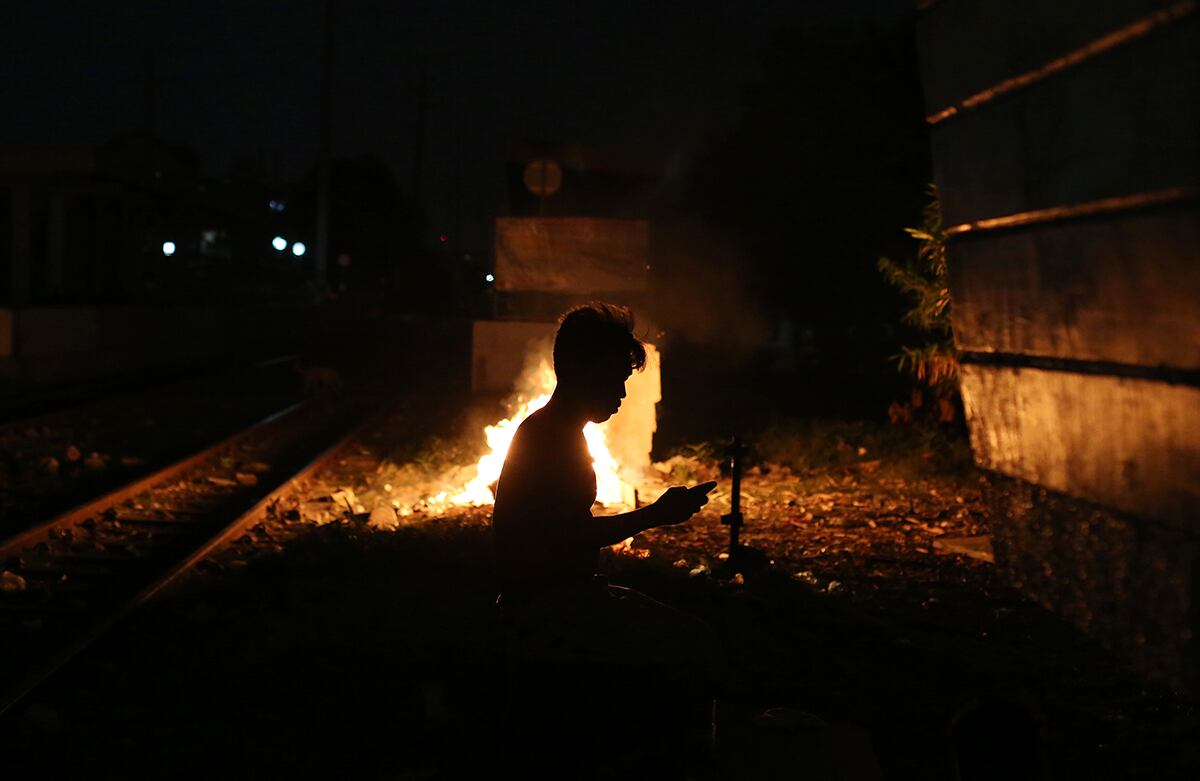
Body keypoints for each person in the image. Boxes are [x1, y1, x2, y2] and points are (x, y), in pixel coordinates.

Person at [492, 303, 718, 768]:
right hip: (545, 609)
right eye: (612, 378)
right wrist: (655, 514)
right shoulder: (550, 438)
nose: (619, 394)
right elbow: (568, 536)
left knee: (690, 638)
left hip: (559, 597)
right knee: (693, 646)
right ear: (575, 368)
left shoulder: (557, 432)